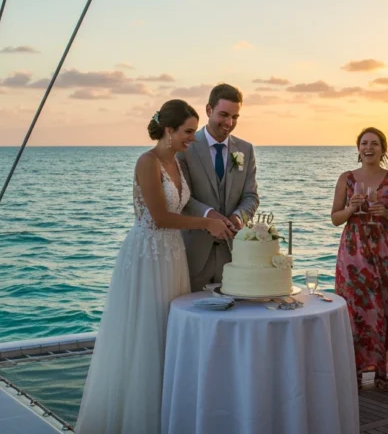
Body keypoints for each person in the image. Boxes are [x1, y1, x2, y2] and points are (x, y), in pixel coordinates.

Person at [76, 99, 233, 433]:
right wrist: (205, 225)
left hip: (173, 254)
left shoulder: (177, 161)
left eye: (193, 131)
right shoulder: (147, 162)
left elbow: (185, 203)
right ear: (168, 130)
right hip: (147, 255)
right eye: (188, 131)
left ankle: (170, 414)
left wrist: (210, 217)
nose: (193, 137)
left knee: (167, 330)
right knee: (145, 333)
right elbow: (160, 218)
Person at [331, 127, 388, 391]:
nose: (369, 148)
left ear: (383, 148)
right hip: (353, 248)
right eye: (364, 143)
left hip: (384, 246)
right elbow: (335, 218)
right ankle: (356, 372)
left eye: (374, 144)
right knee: (355, 309)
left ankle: (382, 373)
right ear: (358, 148)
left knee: (385, 306)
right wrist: (350, 208)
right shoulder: (346, 178)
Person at [178, 84, 260, 292]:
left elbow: (251, 196)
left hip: (233, 255)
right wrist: (209, 215)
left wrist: (238, 217)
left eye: (235, 117)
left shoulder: (245, 149)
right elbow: (181, 197)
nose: (229, 123)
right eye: (223, 115)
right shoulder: (185, 147)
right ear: (208, 110)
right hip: (193, 253)